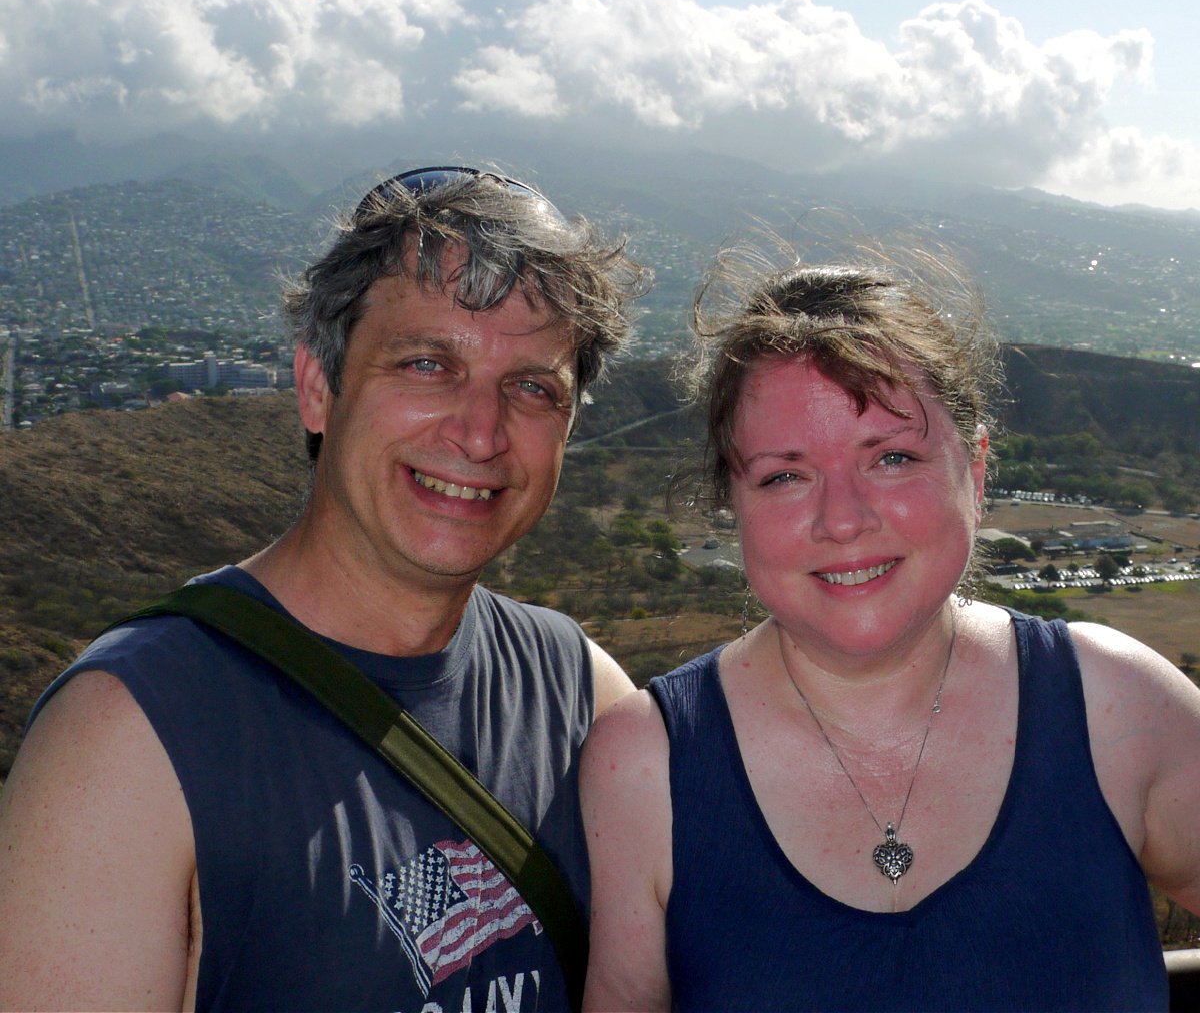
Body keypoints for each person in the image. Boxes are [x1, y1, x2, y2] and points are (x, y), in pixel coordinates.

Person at [0, 166, 647, 1012]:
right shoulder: (131, 739)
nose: (481, 432)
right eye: (426, 363)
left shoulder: (577, 690)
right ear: (316, 388)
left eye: (531, 388)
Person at [581, 246, 1200, 1012]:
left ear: (974, 471)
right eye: (785, 474)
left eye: (893, 458)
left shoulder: (1120, 706)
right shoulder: (645, 768)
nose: (842, 520)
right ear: (731, 502)